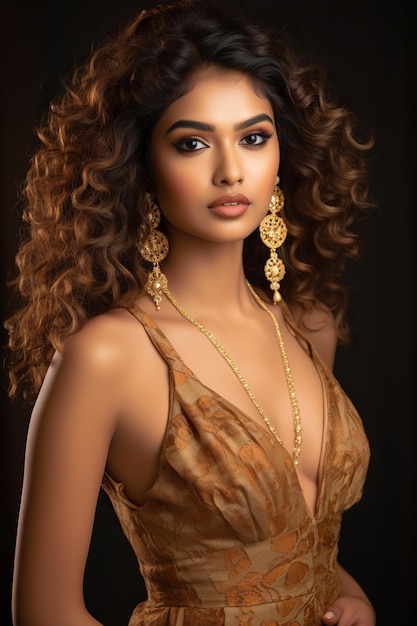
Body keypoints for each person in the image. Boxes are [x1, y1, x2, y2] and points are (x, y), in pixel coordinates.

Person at [5, 0, 376, 624]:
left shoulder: (308, 328)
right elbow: (44, 611)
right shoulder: (111, 356)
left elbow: (297, 536)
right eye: (193, 143)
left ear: (281, 153)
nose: (231, 171)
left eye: (254, 138)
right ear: (144, 166)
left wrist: (350, 596)